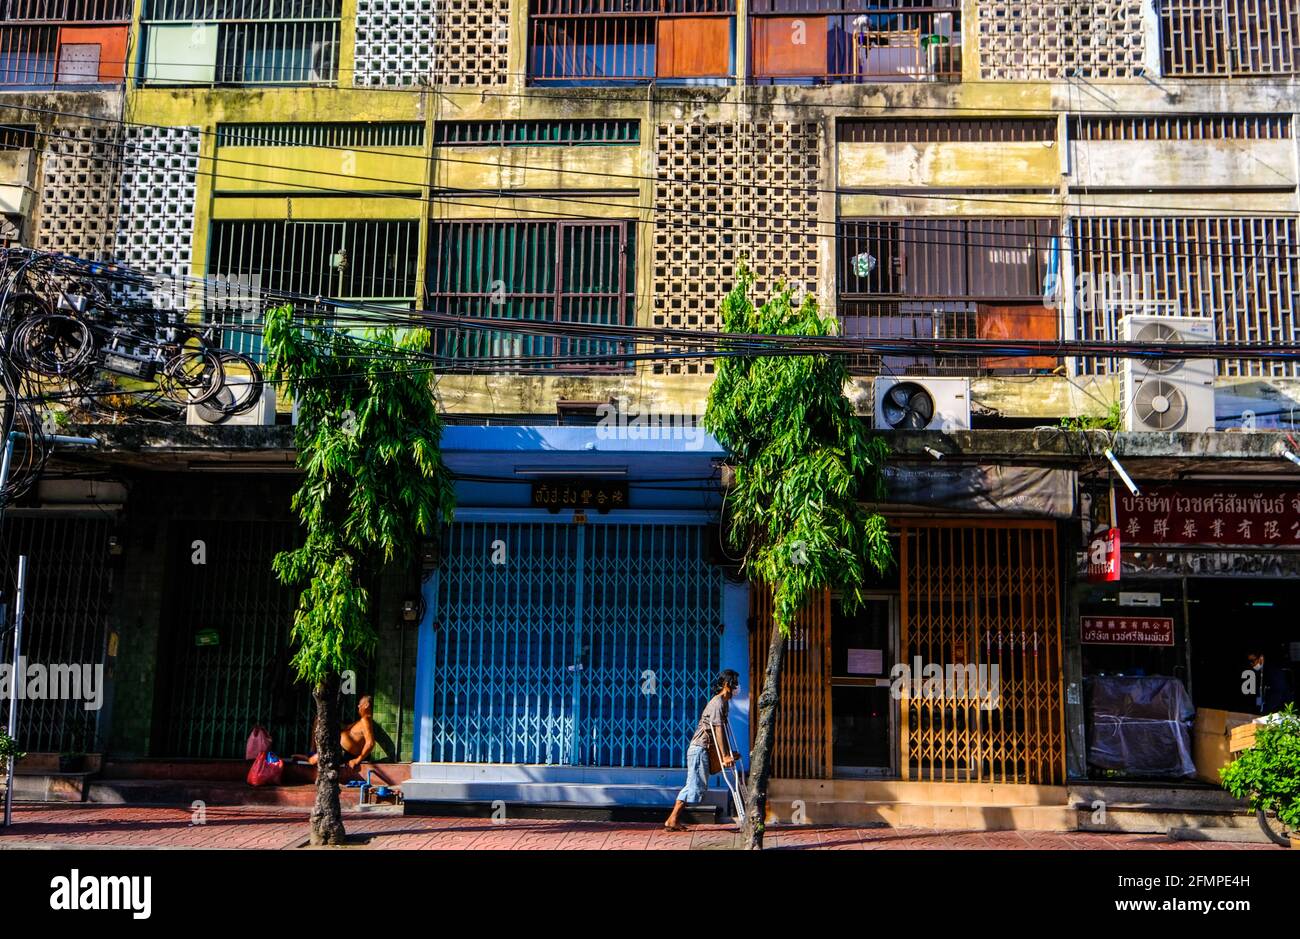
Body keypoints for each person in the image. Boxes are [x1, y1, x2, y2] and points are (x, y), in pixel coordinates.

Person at [664, 670, 741, 832]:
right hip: (699, 749)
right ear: (727, 684)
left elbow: (724, 731)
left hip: (705, 749)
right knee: (694, 786)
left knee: (694, 785)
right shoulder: (717, 703)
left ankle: (672, 820)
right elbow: (718, 729)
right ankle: (672, 819)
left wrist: (729, 752)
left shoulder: (724, 703)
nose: (737, 687)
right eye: (735, 683)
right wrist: (725, 755)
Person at [292, 695, 377, 772]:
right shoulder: (361, 721)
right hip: (336, 744)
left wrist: (358, 760)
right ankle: (312, 751)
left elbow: (370, 743)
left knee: (313, 761)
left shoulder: (366, 721)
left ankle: (309, 758)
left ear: (366, 705)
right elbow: (346, 727)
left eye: (360, 704)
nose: (358, 706)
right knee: (319, 718)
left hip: (343, 752)